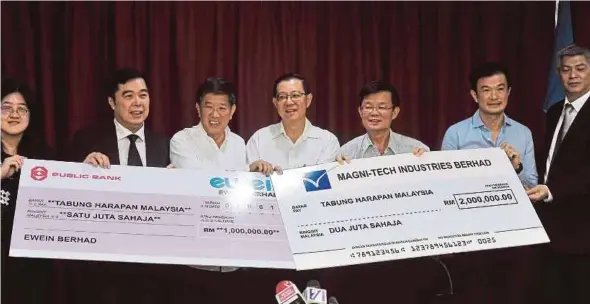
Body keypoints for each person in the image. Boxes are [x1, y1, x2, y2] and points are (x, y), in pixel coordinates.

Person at [527, 44, 590, 304]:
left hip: (583, 233)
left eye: (580, 69)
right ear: (558, 74)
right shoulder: (554, 111)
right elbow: (553, 162)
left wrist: (552, 191)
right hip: (551, 232)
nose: (572, 75)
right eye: (566, 70)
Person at [1, 78, 56, 304]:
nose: (14, 114)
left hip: (31, 263)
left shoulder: (43, 154)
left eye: (22, 109)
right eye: (6, 108)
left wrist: (87, 170)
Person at [441, 62, 538, 188]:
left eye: (500, 89)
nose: (494, 96)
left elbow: (532, 187)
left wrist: (517, 168)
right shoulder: (455, 134)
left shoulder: (523, 133)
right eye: (486, 90)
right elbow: (444, 183)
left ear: (508, 92)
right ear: (475, 95)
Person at [69, 67, 170, 168]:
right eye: (129, 96)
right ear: (112, 103)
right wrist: (83, 169)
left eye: (143, 95)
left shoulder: (165, 146)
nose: (138, 103)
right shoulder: (86, 141)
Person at [170, 77, 272, 173]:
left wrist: (253, 171)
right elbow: (197, 179)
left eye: (222, 108)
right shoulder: (181, 140)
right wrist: (243, 171)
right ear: (198, 109)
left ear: (232, 111)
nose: (215, 114)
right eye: (209, 107)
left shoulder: (238, 143)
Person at [246, 73, 340, 171]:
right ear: (275, 103)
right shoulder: (259, 139)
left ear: (308, 100)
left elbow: (328, 183)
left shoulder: (327, 141)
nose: (289, 102)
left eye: (295, 95)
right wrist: (254, 172)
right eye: (282, 97)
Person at [339, 80, 428, 159]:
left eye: (381, 107)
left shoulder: (415, 149)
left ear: (394, 112)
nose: (374, 113)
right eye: (368, 107)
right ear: (360, 111)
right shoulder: (347, 153)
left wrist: (426, 159)